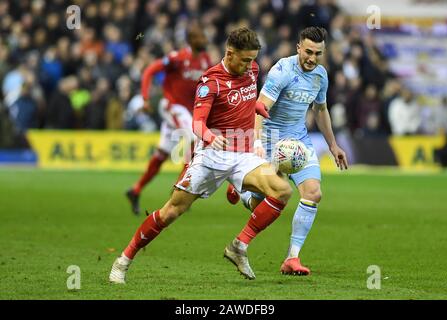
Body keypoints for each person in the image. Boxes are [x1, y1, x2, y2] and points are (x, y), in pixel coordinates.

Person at [109, 27, 290, 284]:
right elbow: (197, 124)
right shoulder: (210, 81)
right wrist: (210, 136)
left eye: (253, 59)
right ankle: (124, 260)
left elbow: (245, 99)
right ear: (229, 54)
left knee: (281, 191)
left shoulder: (252, 70)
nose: (252, 65)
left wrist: (257, 106)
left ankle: (238, 245)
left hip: (243, 154)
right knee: (170, 212)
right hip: (212, 157)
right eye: (246, 59)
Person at [227, 27, 348, 276]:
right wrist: (257, 143)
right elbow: (259, 107)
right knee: (264, 203)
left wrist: (333, 145)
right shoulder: (282, 70)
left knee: (313, 193)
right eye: (308, 52)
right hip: (272, 141)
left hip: (299, 142)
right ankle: (244, 192)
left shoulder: (321, 76)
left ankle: (292, 258)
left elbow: (321, 110)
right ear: (298, 48)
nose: (312, 58)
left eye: (318, 53)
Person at [125, 23, 212, 214]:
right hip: (171, 106)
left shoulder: (205, 60)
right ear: (191, 40)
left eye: (204, 37)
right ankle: (182, 188)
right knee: (193, 137)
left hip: (187, 111)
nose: (204, 41)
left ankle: (135, 189)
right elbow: (149, 71)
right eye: (200, 38)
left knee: (162, 154)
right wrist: (146, 98)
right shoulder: (178, 57)